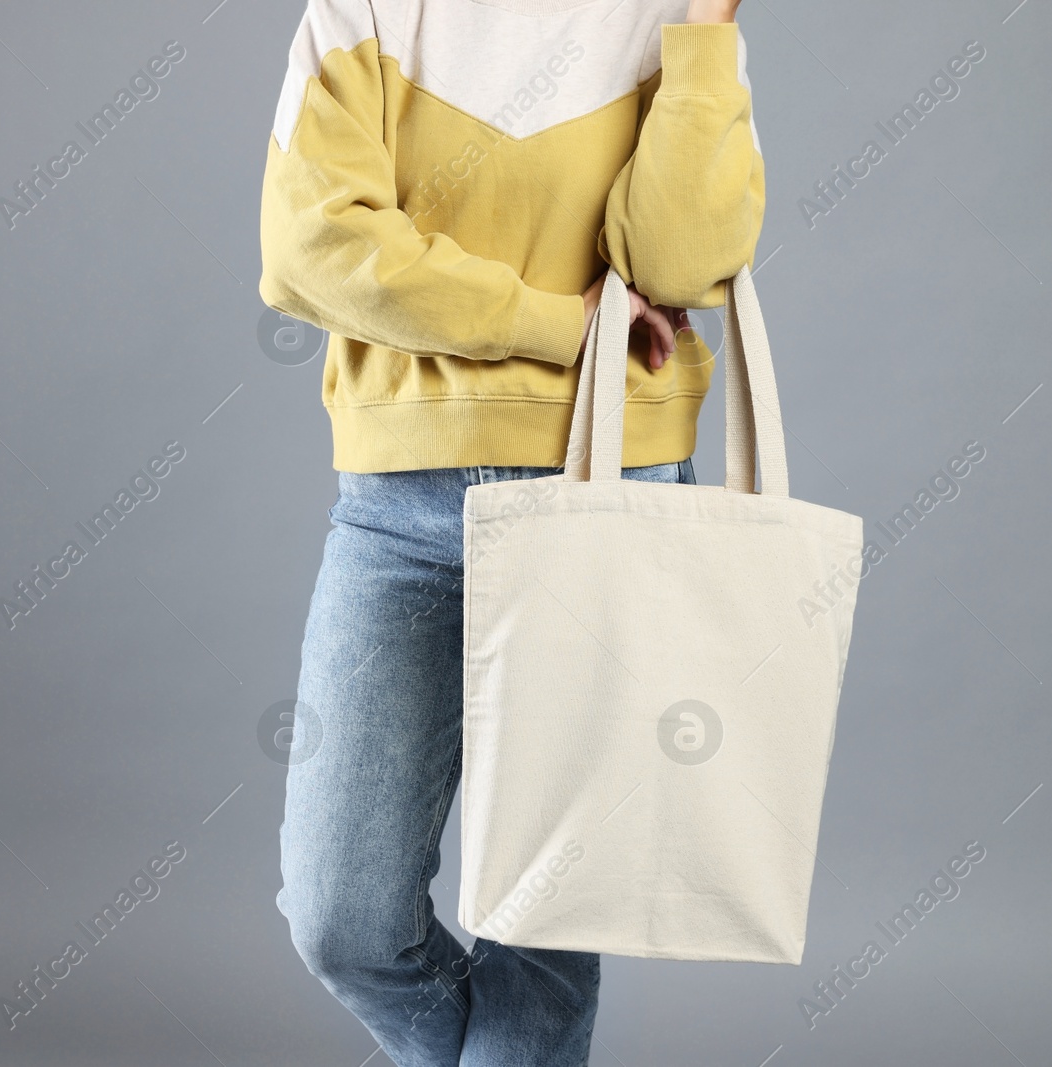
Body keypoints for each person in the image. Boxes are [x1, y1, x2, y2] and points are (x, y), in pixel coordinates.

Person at [258, 0, 763, 1061]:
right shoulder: (363, 15)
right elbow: (315, 245)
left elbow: (675, 264)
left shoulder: (667, 20)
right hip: (400, 506)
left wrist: (706, 31)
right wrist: (565, 325)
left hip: (605, 489)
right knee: (340, 916)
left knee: (543, 919)